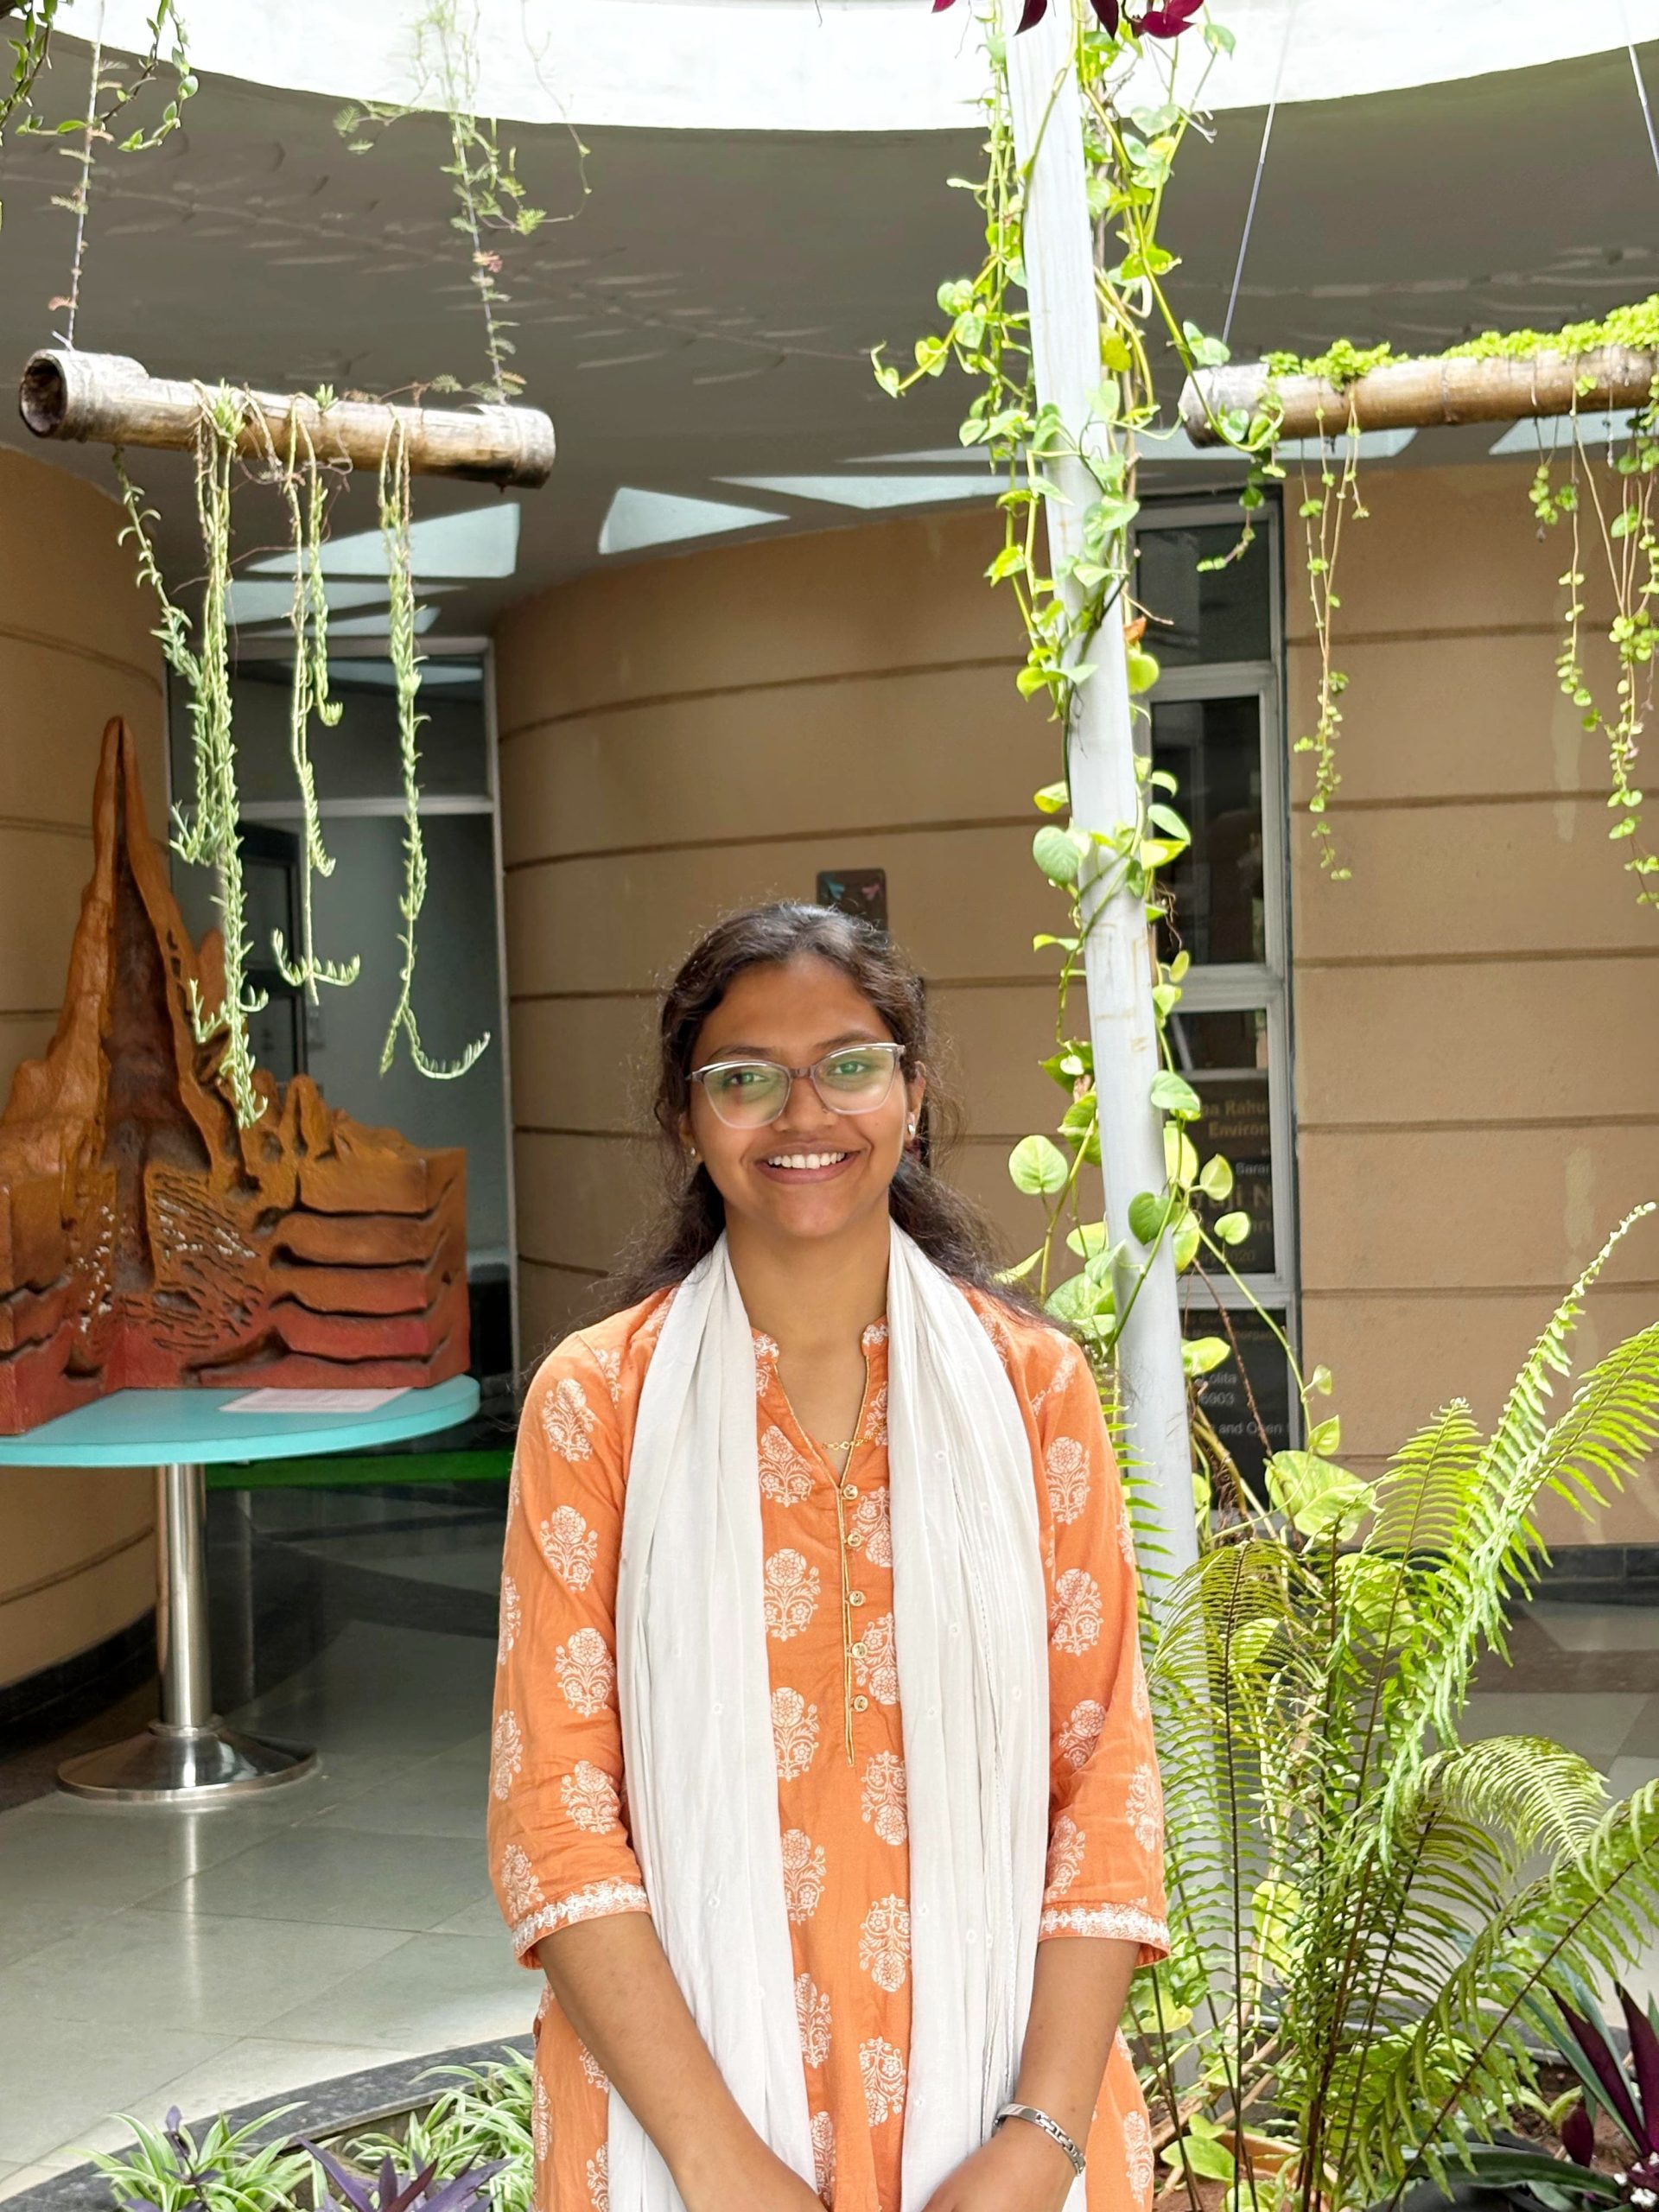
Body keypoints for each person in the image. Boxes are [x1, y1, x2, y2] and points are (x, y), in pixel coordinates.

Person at [488, 903, 1166, 2212]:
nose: (804, 1115)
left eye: (850, 1065)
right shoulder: (599, 1406)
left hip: (1006, 2127)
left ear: (914, 1091)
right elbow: (553, 1817)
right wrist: (716, 2163)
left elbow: (1105, 1785)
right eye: (745, 1079)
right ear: (686, 1117)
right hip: (680, 2136)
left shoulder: (1032, 1391)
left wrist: (1040, 2141)